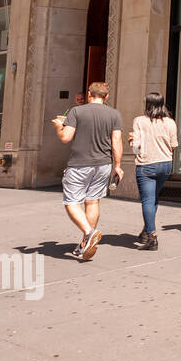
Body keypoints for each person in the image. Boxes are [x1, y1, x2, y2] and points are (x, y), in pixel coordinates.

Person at [53, 82, 123, 261]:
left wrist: (58, 125)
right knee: (92, 202)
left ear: (89, 94)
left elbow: (65, 137)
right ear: (106, 97)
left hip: (79, 164)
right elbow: (117, 141)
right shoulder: (114, 114)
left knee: (71, 201)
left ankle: (89, 232)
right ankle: (85, 244)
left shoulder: (77, 111)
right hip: (104, 164)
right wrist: (118, 165)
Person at [130, 92, 178, 251]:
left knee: (147, 200)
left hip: (147, 165)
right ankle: (146, 230)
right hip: (165, 164)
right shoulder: (170, 122)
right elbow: (173, 146)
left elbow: (136, 148)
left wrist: (132, 140)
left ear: (147, 104)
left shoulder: (139, 121)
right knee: (153, 198)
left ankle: (152, 236)